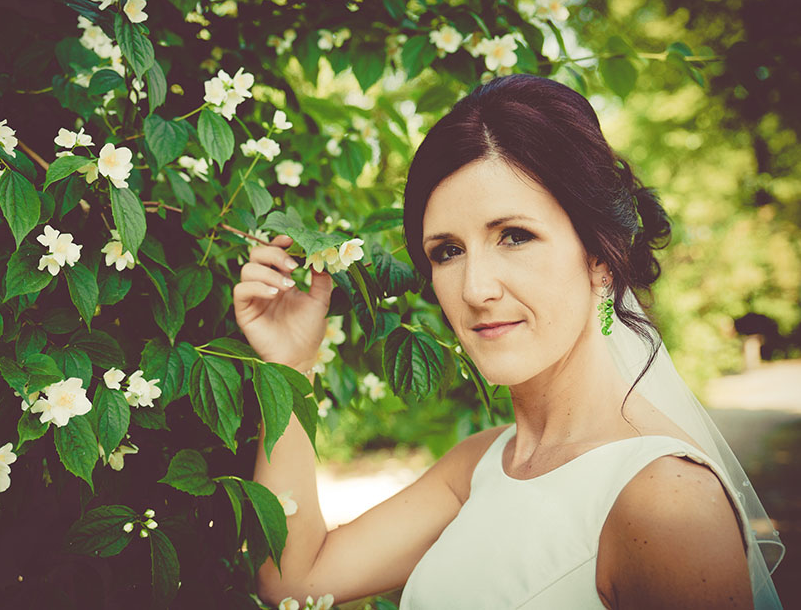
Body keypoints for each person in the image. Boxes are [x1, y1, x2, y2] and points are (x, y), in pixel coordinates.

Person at [232, 74, 784, 609]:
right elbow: (295, 577)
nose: (475, 289)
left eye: (514, 236)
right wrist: (292, 365)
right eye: (447, 251)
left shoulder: (666, 498)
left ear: (600, 257)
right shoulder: (483, 463)